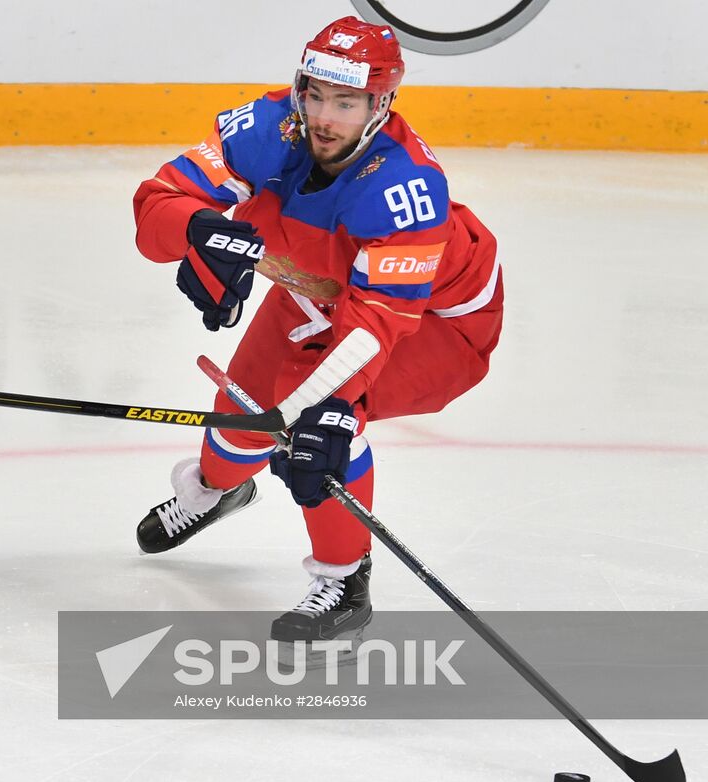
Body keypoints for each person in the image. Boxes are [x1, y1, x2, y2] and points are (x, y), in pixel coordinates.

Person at [131, 17, 503, 645]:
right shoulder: (268, 126)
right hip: (321, 288)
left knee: (322, 421)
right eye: (316, 96)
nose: (325, 117)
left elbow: (381, 319)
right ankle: (218, 492)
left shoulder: (405, 188)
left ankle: (344, 576)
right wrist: (198, 228)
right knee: (240, 416)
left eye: (346, 103)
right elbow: (157, 202)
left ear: (380, 104)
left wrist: (334, 404)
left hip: (432, 326)